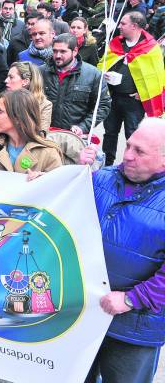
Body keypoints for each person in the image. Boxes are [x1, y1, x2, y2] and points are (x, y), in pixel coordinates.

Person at [78, 118, 165, 383]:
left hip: (134, 328)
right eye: (128, 146)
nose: (127, 155)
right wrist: (68, 175)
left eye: (139, 151)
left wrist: (131, 299)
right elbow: (62, 205)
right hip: (84, 312)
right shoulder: (101, 179)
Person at [99, 11, 163, 166]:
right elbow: (103, 63)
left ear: (134, 26)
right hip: (112, 97)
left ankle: (130, 165)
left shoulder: (151, 48)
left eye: (123, 23)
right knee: (110, 133)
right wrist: (105, 74)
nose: (119, 26)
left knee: (133, 135)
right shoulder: (116, 43)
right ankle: (108, 164)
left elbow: (157, 75)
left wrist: (144, 94)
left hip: (133, 102)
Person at [0, 89, 62, 176]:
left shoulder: (48, 153)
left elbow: (58, 189)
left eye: (1, 112)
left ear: (18, 118)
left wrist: (43, 181)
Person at [40, 33, 110, 136]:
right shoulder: (40, 72)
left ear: (75, 51)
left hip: (74, 137)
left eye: (63, 51)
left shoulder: (93, 74)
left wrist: (83, 126)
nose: (58, 55)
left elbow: (103, 105)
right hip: (45, 134)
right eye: (55, 51)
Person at [0, 61, 52, 134]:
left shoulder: (44, 105)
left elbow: (41, 135)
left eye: (11, 77)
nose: (6, 80)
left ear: (25, 81)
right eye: (7, 77)